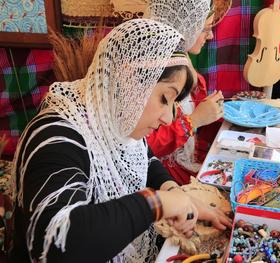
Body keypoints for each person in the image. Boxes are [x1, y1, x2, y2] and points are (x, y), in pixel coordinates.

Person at [10, 19, 230, 263]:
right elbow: (57, 243)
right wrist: (157, 204)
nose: (168, 118)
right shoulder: (56, 136)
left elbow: (144, 159)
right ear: (129, 82)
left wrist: (175, 192)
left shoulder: (115, 122)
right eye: (165, 98)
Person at [147, 7, 226, 185]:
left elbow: (201, 122)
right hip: (163, 177)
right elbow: (145, 146)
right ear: (183, 29)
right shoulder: (155, 72)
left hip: (185, 166)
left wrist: (217, 111)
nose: (211, 36)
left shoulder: (188, 69)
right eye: (205, 29)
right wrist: (194, 121)